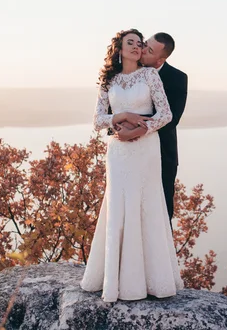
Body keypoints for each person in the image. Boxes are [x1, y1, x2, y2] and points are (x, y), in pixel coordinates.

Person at [80, 29, 184, 302]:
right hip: (117, 152)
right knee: (118, 206)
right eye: (132, 43)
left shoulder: (150, 76)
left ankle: (151, 280)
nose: (138, 47)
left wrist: (140, 130)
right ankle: (115, 278)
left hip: (145, 149)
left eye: (141, 44)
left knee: (146, 205)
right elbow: (97, 120)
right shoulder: (108, 81)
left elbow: (166, 114)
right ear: (119, 48)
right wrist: (122, 116)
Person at [112, 32, 188, 227]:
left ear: (160, 59)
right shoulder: (123, 73)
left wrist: (135, 131)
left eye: (150, 50)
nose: (142, 49)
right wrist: (121, 129)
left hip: (161, 154)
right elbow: (115, 108)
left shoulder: (177, 78)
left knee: (161, 213)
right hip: (127, 154)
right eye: (144, 44)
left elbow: (171, 119)